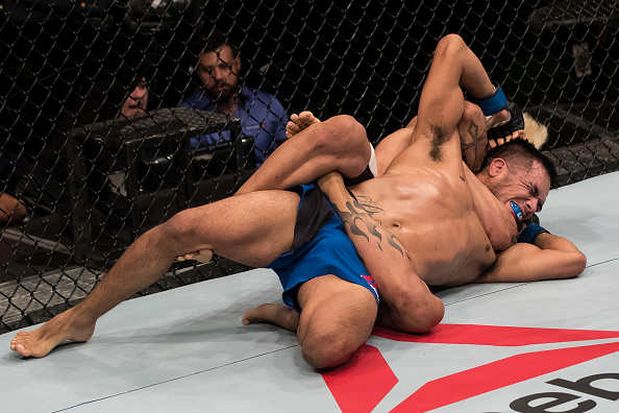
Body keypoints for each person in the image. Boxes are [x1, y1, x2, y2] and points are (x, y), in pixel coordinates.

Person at [9, 35, 585, 370]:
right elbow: (453, 48)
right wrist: (498, 106)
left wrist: (528, 227)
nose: (534, 207)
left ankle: (290, 313)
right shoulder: (436, 153)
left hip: (356, 273)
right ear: (501, 165)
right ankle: (78, 319)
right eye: (532, 192)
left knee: (328, 345)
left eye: (539, 206)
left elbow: (570, 259)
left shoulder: (498, 249)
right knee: (182, 226)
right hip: (317, 218)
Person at [181, 31, 288, 167]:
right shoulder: (186, 116)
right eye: (208, 71)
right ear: (197, 71)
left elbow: (291, 153)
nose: (218, 76)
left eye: (224, 66)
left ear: (237, 63)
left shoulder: (268, 104)